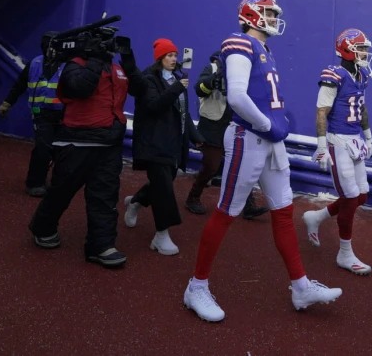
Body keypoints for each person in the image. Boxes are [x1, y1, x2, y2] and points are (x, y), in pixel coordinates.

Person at [183, 0, 342, 322]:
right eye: (268, 12)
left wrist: (271, 130)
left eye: (273, 12)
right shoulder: (239, 42)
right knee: (227, 212)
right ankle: (196, 286)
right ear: (251, 14)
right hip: (249, 137)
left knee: (283, 211)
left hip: (268, 141)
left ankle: (300, 286)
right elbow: (238, 96)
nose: (273, 17)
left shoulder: (264, 49)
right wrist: (268, 125)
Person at [28, 32, 147, 268]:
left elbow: (141, 90)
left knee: (104, 197)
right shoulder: (75, 65)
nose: (108, 48)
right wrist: (94, 57)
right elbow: (80, 88)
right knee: (61, 191)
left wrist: (129, 59)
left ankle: (100, 246)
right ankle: (42, 227)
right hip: (77, 142)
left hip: (109, 144)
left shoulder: (117, 69)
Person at [302, 29, 372, 276]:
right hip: (338, 140)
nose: (365, 52)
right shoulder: (333, 74)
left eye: (365, 48)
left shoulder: (362, 73)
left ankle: (316, 217)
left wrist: (368, 135)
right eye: (360, 48)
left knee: (361, 197)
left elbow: (362, 106)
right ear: (347, 49)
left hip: (355, 139)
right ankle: (345, 253)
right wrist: (322, 146)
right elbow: (321, 111)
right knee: (350, 198)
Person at [122, 39, 204, 256]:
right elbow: (154, 105)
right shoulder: (149, 79)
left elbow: (183, 114)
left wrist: (195, 137)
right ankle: (161, 235)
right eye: (169, 55)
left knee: (162, 184)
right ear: (159, 58)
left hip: (173, 144)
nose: (174, 59)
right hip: (154, 143)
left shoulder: (178, 79)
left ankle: (136, 201)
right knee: (165, 189)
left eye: (175, 55)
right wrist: (177, 88)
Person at [185, 51, 269, 218]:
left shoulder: (241, 73)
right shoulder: (211, 68)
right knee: (211, 166)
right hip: (212, 126)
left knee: (243, 166)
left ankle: (248, 205)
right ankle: (192, 198)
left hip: (233, 125)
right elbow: (199, 89)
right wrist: (215, 77)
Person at [0, 32, 64, 197]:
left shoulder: (69, 65)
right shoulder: (34, 63)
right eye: (49, 47)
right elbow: (19, 85)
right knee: (43, 148)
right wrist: (7, 103)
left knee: (61, 151)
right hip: (40, 113)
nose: (52, 51)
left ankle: (58, 183)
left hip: (64, 115)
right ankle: (34, 183)